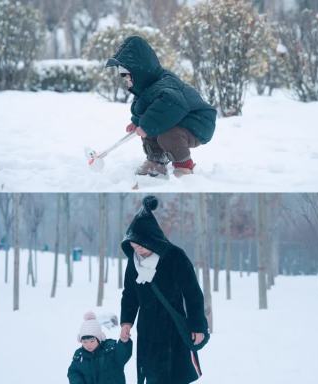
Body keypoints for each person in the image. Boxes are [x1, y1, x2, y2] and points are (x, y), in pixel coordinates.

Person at [120, 195, 208, 384]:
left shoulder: (175, 256)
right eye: (134, 246)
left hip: (173, 328)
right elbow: (129, 294)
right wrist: (126, 321)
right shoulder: (133, 262)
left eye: (141, 245)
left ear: (152, 239)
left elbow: (192, 293)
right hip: (147, 331)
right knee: (152, 377)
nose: (138, 250)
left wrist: (198, 326)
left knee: (174, 377)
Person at [105, 36, 217, 177]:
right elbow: (147, 108)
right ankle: (157, 161)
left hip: (198, 121)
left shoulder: (166, 85)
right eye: (123, 76)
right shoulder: (148, 86)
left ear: (140, 72)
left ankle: (184, 166)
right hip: (180, 118)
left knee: (167, 134)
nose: (125, 80)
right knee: (151, 127)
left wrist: (145, 125)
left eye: (127, 76)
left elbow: (170, 105)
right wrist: (137, 122)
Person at [68, 311, 132, 384]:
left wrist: (124, 342)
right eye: (84, 342)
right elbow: (73, 372)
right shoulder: (80, 356)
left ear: (99, 339)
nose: (88, 345)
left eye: (92, 341)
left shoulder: (110, 351)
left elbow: (123, 355)